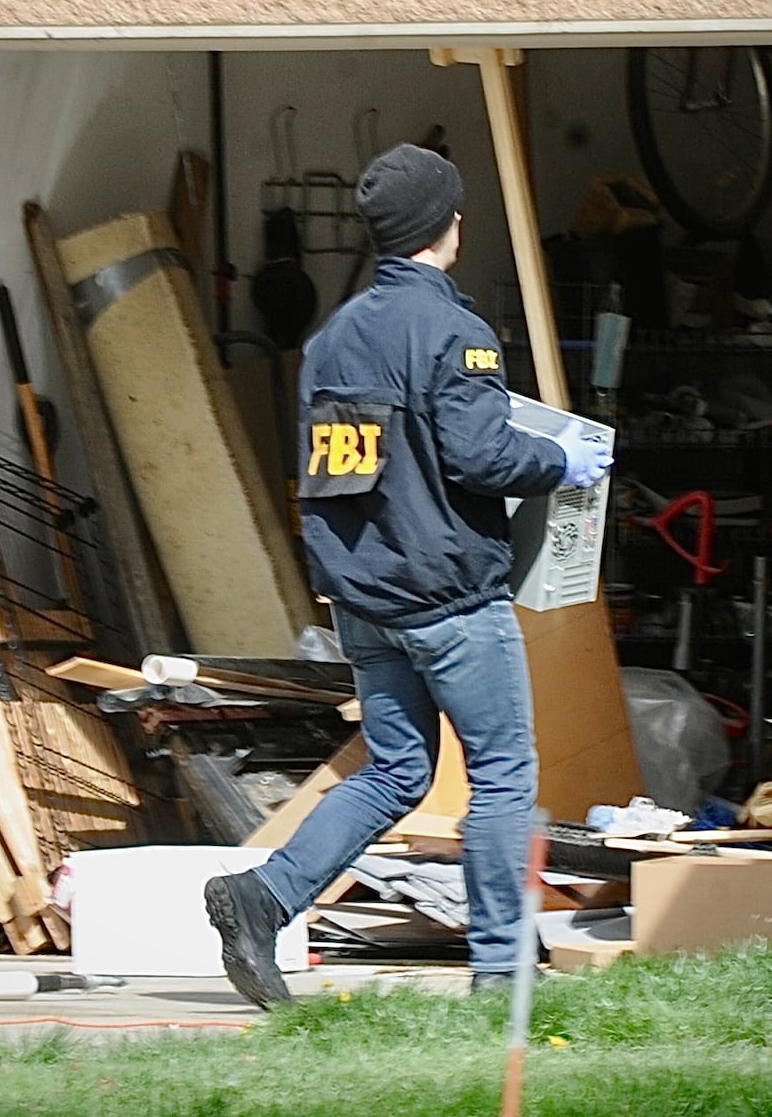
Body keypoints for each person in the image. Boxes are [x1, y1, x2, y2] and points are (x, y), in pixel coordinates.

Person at [204, 143, 613, 1005]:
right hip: (452, 599)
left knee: (397, 770)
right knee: (503, 770)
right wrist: (558, 459)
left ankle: (264, 894)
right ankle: (501, 974)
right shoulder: (454, 331)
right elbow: (479, 452)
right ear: (446, 226)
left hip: (366, 600)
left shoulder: (331, 341)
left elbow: (341, 471)